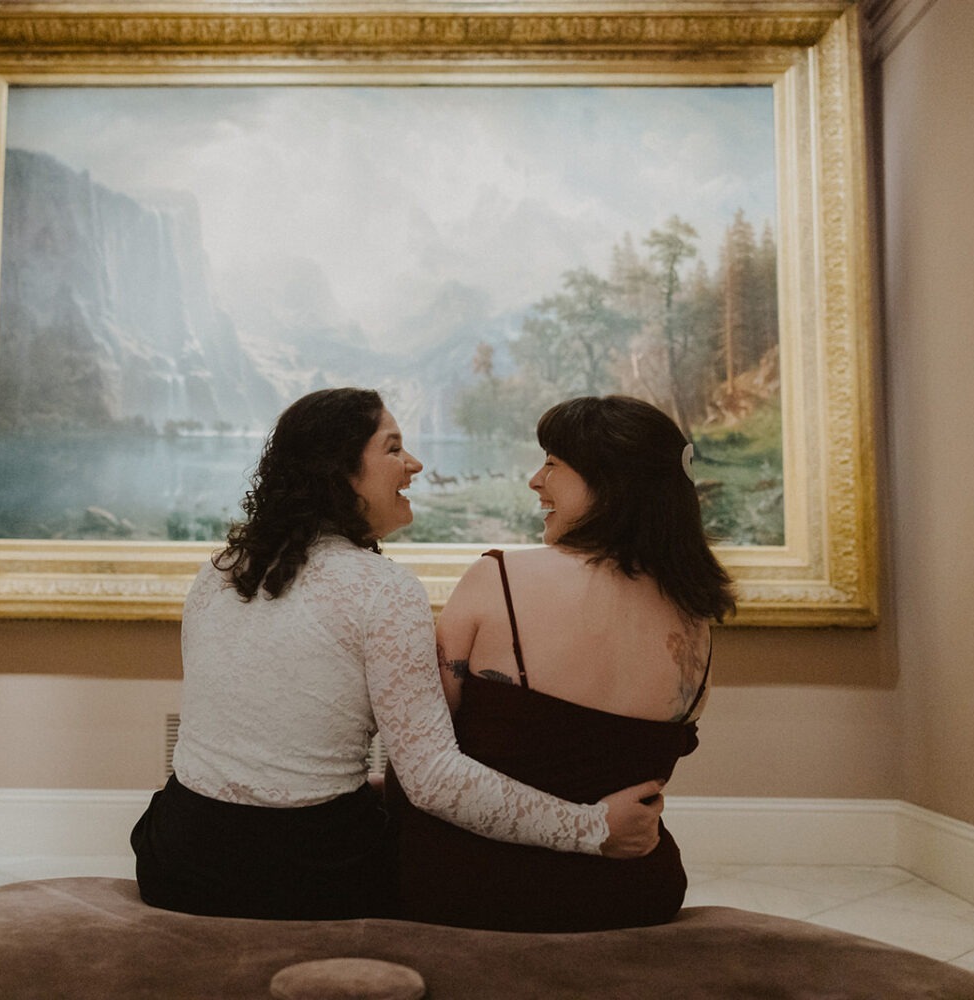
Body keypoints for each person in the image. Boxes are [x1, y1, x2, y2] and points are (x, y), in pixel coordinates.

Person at [130, 387, 666, 920]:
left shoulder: (221, 570)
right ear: (340, 472)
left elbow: (267, 754)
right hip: (307, 873)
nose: (415, 463)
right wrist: (592, 828)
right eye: (392, 448)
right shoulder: (384, 591)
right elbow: (433, 780)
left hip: (177, 858)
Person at [386, 394, 736, 932]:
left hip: (481, 888)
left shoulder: (498, 578)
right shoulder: (696, 616)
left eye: (552, 463)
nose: (536, 480)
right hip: (635, 891)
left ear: (610, 481)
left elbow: (425, 759)